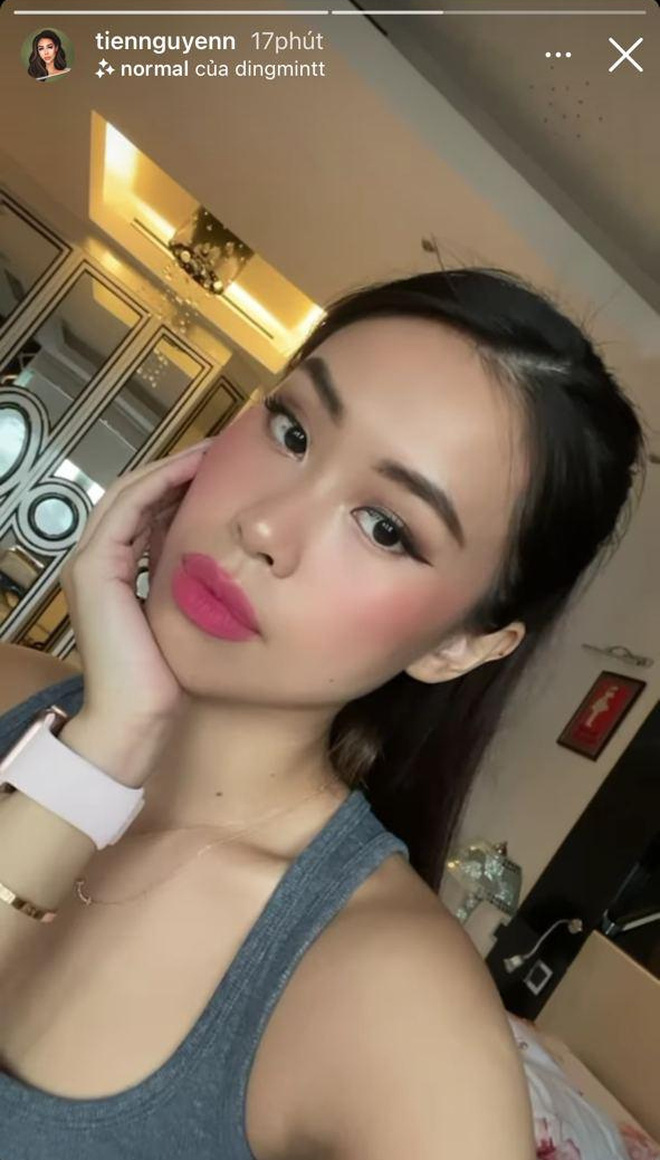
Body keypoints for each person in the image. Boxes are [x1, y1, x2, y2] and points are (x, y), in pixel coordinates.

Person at [0, 267, 645, 1158]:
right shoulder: (11, 692)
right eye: (293, 431)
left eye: (386, 528)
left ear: (460, 646)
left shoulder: (400, 1015)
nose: (265, 527)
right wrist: (101, 749)